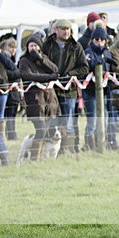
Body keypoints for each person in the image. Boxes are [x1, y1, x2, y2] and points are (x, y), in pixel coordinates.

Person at [41, 19, 88, 154]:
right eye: (63, 29)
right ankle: (51, 150)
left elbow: (84, 67)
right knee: (53, 120)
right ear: (56, 30)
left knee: (68, 121)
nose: (66, 32)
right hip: (52, 91)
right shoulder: (47, 45)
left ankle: (68, 149)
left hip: (69, 91)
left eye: (68, 29)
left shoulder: (76, 46)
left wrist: (70, 74)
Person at [17, 34, 60, 161]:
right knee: (40, 129)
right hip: (35, 100)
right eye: (31, 46)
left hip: (48, 99)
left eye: (36, 45)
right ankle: (35, 157)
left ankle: (42, 157)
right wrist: (48, 77)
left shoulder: (43, 58)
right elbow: (27, 75)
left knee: (47, 129)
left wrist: (41, 59)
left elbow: (55, 70)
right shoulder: (24, 61)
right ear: (27, 47)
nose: (33, 48)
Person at [82, 27, 114, 150]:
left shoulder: (107, 52)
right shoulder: (88, 52)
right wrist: (101, 60)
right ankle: (90, 144)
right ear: (92, 40)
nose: (99, 41)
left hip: (105, 91)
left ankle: (102, 143)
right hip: (91, 92)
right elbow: (91, 64)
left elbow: (111, 68)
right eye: (96, 39)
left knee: (104, 118)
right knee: (92, 120)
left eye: (102, 39)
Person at [0, 35, 21, 140]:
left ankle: (9, 135)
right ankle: (9, 135)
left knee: (10, 115)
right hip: (5, 89)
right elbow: (15, 73)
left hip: (12, 91)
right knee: (6, 115)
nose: (13, 50)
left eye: (15, 47)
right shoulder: (3, 57)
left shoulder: (10, 58)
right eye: (11, 47)